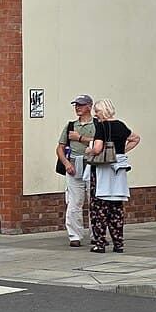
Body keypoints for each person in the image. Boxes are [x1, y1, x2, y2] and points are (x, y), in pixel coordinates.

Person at [85, 99, 142, 253]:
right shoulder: (121, 126)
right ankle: (118, 243)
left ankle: (100, 243)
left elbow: (97, 149)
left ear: (102, 111)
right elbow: (136, 138)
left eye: (97, 111)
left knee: (99, 209)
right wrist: (122, 151)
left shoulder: (101, 127)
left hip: (103, 171)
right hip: (119, 171)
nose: (95, 115)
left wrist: (88, 151)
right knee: (116, 209)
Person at [55, 94, 99, 247]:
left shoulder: (97, 124)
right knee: (74, 202)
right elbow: (60, 148)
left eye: (81, 104)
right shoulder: (70, 125)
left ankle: (96, 234)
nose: (77, 107)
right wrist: (66, 163)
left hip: (92, 165)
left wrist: (80, 138)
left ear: (89, 106)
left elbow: (102, 143)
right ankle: (74, 235)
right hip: (74, 165)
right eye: (76, 105)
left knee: (94, 201)